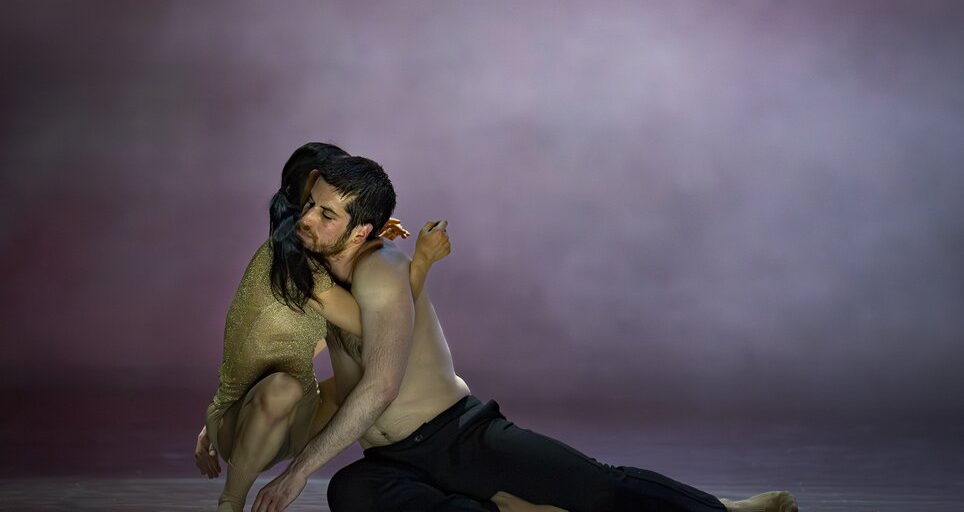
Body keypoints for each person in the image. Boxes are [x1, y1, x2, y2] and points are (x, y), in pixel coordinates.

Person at [251, 154, 798, 512]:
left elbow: (380, 386)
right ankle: (508, 509)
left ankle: (724, 510)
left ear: (361, 231)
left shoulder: (383, 268)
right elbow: (314, 372)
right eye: (310, 206)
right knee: (351, 492)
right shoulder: (320, 277)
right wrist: (230, 417)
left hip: (459, 436)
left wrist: (296, 473)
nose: (308, 220)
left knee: (597, 486)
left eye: (326, 215)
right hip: (392, 460)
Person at [193, 143, 452, 512]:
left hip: (284, 414)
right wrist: (422, 262)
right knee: (292, 387)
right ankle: (231, 501)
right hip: (254, 417)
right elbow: (378, 326)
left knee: (361, 382)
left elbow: (303, 342)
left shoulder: (314, 257)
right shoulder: (299, 269)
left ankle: (415, 471)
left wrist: (364, 232)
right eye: (321, 204)